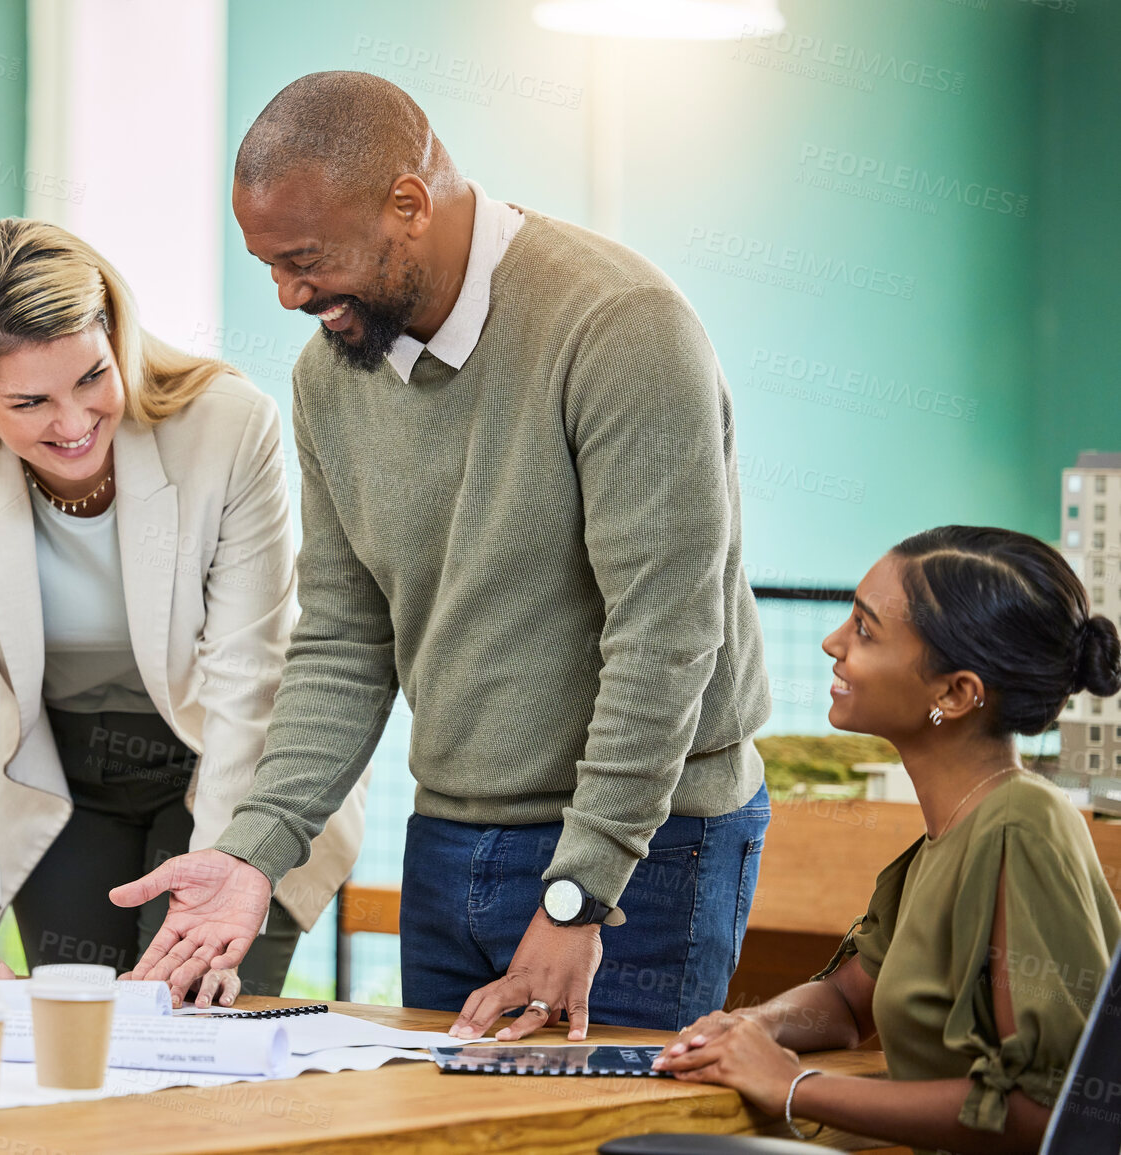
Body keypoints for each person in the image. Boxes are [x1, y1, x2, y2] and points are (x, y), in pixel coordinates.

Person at [114, 71, 771, 1037]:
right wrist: (254, 850)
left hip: (647, 849)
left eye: (305, 259)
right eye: (267, 266)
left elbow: (664, 637)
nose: (290, 295)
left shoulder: (620, 328)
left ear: (407, 204)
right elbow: (342, 641)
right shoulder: (330, 376)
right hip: (448, 836)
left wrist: (579, 892)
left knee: (604, 1145)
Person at [0, 218, 367, 1004]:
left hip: (225, 762)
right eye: (30, 401)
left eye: (88, 378)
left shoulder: (227, 426)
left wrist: (224, 870)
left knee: (192, 1024)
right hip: (64, 778)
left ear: (114, 333)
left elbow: (248, 677)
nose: (73, 424)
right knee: (83, 1032)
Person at [655, 526, 1121, 1154]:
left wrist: (794, 1087)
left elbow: (1049, 1109)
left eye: (866, 630)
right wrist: (750, 1028)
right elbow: (851, 1004)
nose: (832, 643)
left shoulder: (1020, 826)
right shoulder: (950, 829)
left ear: (955, 694)